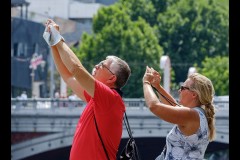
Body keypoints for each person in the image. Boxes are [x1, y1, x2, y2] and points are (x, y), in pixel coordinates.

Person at [43, 19, 131, 160]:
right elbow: (68, 76)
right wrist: (53, 42)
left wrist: (58, 39)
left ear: (111, 78)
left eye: (103, 64)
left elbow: (76, 70)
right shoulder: (98, 99)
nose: (97, 65)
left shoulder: (110, 98)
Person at [142, 66, 216, 160]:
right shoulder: (199, 114)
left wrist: (146, 82)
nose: (179, 91)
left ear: (194, 94)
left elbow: (154, 106)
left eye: (183, 88)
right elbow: (175, 107)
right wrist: (157, 86)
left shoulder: (192, 115)